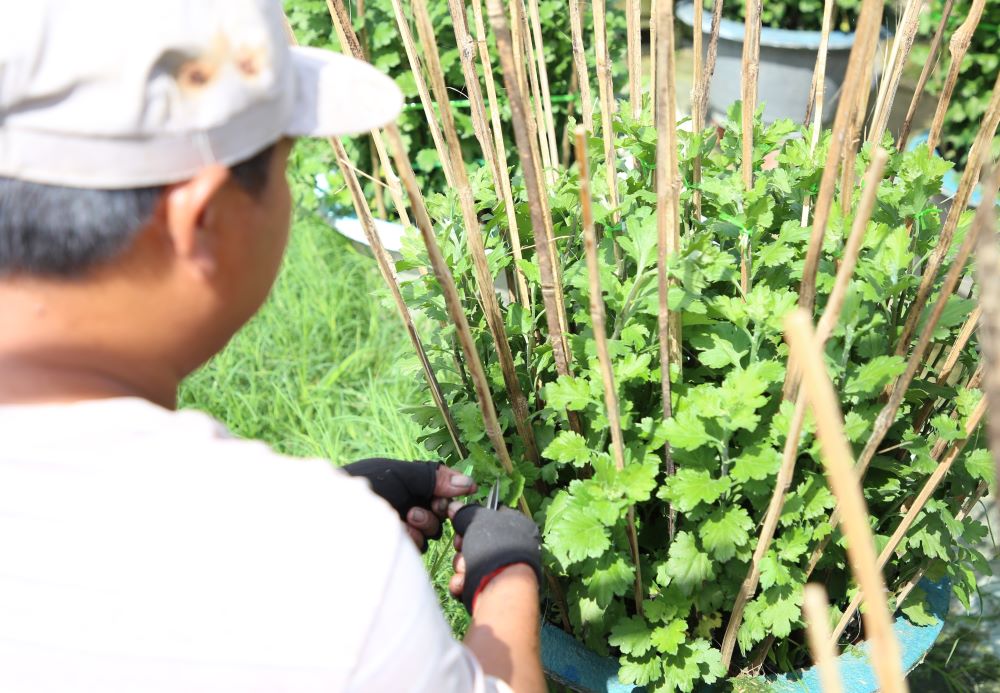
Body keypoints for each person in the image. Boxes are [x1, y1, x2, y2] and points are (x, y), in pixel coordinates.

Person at [0, 0, 546, 691]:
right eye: (284, 165)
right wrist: (506, 579)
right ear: (200, 220)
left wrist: (321, 505)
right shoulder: (331, 582)